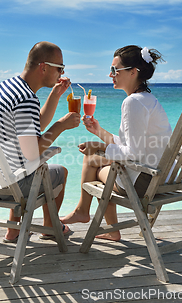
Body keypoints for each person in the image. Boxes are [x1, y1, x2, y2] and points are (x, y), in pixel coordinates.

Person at [60, 45, 172, 241]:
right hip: (163, 176)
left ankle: (86, 214)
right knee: (94, 158)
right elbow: (134, 145)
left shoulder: (132, 102)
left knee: (92, 160)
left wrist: (101, 147)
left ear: (132, 72)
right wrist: (99, 132)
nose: (110, 74)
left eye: (114, 70)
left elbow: (133, 154)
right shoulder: (148, 99)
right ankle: (89, 215)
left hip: (145, 182)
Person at [0, 41, 80, 243]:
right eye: (59, 68)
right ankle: (50, 226)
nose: (61, 73)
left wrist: (55, 94)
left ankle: (14, 231)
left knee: (21, 165)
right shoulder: (26, 98)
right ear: (43, 67)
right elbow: (32, 151)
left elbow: (37, 125)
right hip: (7, 186)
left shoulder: (8, 87)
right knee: (59, 171)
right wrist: (61, 125)